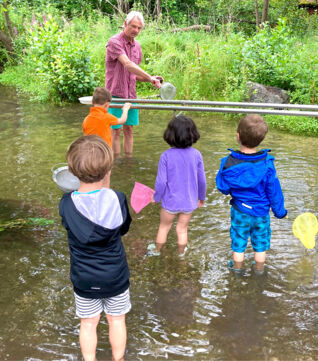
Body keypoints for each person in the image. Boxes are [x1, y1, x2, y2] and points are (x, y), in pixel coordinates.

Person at [59, 135, 132, 361]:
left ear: (72, 171)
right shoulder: (117, 198)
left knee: (88, 324)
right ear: (108, 169)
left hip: (84, 277)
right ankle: (117, 359)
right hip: (115, 276)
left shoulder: (66, 203)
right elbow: (122, 229)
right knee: (117, 319)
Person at [215, 114, 287, 275]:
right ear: (261, 140)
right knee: (260, 244)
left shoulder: (227, 163)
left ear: (238, 136)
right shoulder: (267, 164)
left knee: (239, 241)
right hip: (261, 212)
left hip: (240, 210)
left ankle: (237, 271)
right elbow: (274, 190)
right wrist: (280, 212)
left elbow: (223, 187)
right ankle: (259, 271)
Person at [105, 11, 163, 156]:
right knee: (116, 129)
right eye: (133, 26)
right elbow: (128, 64)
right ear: (125, 23)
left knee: (129, 129)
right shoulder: (114, 42)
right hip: (116, 94)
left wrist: (152, 79)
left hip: (131, 95)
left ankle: (128, 163)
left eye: (139, 28)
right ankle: (116, 162)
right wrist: (149, 77)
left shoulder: (137, 47)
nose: (136, 30)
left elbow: (134, 74)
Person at [150, 115, 207, 256]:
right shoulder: (197, 155)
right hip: (189, 202)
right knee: (182, 229)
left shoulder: (166, 156)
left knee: (164, 227)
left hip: (170, 203)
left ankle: (156, 251)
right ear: (193, 134)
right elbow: (202, 180)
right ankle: (181, 255)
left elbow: (161, 182)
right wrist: (201, 197)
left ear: (170, 135)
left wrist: (156, 197)